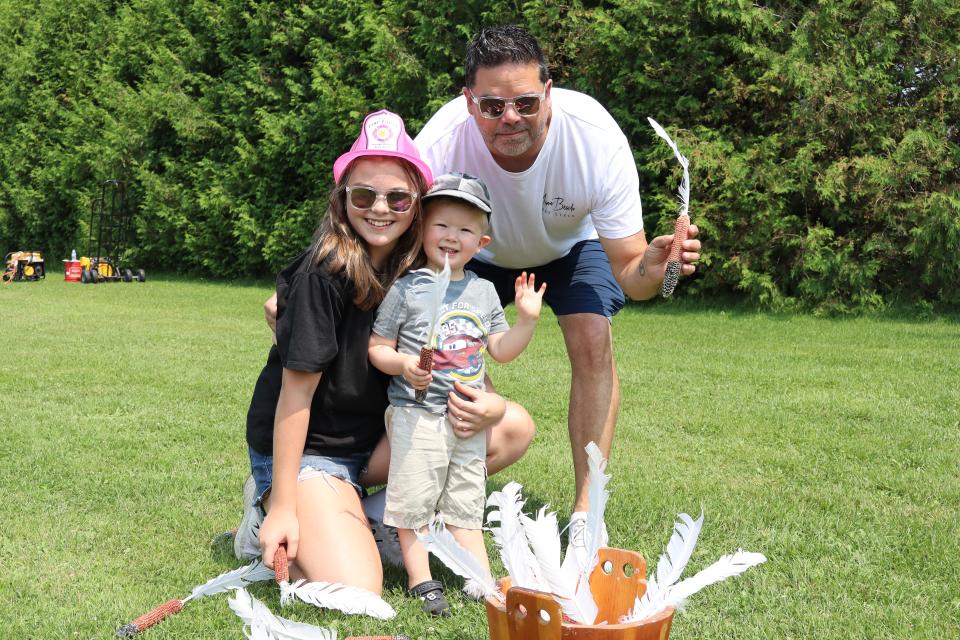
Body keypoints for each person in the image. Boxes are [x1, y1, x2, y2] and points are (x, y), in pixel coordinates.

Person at [412, 25, 702, 561]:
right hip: (477, 249)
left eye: (524, 101)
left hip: (571, 248)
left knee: (592, 337)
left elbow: (630, 275)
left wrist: (658, 266)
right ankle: (451, 490)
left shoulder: (593, 135)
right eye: (493, 105)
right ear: (468, 101)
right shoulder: (437, 143)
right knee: (449, 344)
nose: (510, 118)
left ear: (548, 91)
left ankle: (587, 514)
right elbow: (389, 240)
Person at [238, 110, 534, 593]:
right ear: (341, 201)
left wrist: (491, 402)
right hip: (315, 450)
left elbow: (463, 357)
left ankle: (369, 518)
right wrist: (287, 506)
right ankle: (267, 512)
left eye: (397, 196)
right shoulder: (323, 274)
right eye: (363, 195)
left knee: (511, 426)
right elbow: (294, 400)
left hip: (376, 441)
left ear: (417, 206)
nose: (380, 208)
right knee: (358, 587)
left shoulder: (426, 271)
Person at [368, 172, 545, 616]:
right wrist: (405, 365)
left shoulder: (484, 292)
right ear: (422, 229)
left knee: (466, 501)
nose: (451, 236)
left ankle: (479, 579)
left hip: (465, 419)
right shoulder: (406, 289)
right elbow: (377, 348)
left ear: (481, 242)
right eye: (441, 225)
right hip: (418, 413)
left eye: (465, 229)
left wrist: (525, 321)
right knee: (415, 500)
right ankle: (420, 579)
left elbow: (500, 352)